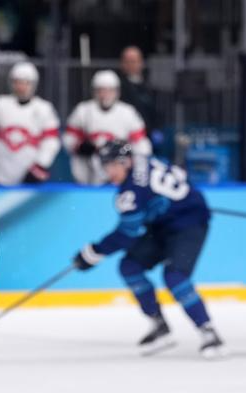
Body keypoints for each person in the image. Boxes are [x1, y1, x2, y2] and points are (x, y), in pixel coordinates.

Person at [73, 141, 224, 358]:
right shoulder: (144, 161)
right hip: (166, 224)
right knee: (130, 266)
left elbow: (126, 234)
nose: (108, 172)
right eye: (105, 166)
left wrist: (92, 253)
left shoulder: (131, 191)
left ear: (125, 162)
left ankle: (208, 332)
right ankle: (159, 325)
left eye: (111, 166)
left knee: (175, 276)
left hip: (189, 225)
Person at [64, 70, 150, 185]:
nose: (105, 94)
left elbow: (141, 144)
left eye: (110, 90)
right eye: (101, 90)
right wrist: (80, 147)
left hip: (119, 165)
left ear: (117, 91)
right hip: (89, 165)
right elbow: (69, 139)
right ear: (94, 91)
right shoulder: (83, 110)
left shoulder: (128, 112)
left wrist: (130, 156)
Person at [0, 61, 60, 185]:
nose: (21, 87)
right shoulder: (0, 104)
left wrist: (40, 166)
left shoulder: (44, 108)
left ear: (33, 85)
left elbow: (51, 142)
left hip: (28, 177)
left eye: (26, 83)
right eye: (17, 82)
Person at [119, 46, 157, 135]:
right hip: (125, 133)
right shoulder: (118, 86)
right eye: (127, 61)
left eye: (133, 61)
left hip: (147, 133)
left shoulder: (150, 86)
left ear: (141, 63)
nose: (130, 65)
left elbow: (155, 112)